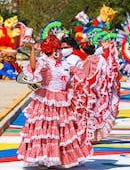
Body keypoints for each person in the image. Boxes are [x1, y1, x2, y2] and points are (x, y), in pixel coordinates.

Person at [17, 35, 92, 169]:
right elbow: (33, 68)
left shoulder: (64, 63)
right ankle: (45, 157)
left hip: (62, 100)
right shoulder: (44, 62)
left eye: (59, 49)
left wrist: (89, 62)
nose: (59, 52)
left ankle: (59, 158)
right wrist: (33, 51)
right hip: (47, 99)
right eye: (56, 49)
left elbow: (77, 73)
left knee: (61, 131)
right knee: (47, 130)